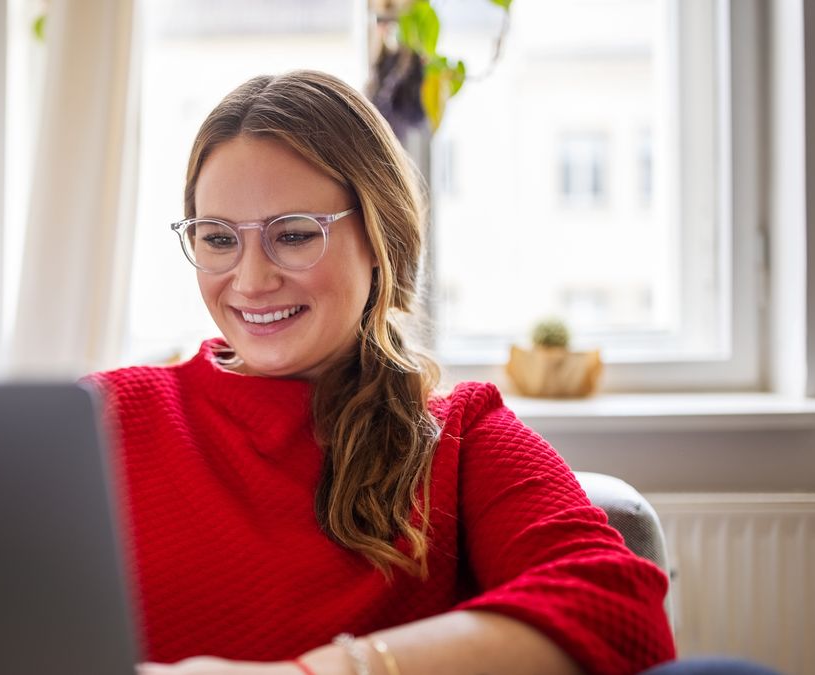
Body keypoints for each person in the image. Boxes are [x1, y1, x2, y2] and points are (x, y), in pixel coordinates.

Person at [90, 70, 676, 675]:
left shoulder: (458, 436)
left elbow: (623, 613)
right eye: (217, 239)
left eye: (293, 236)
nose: (251, 280)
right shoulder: (103, 418)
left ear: (380, 239)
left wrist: (319, 673)